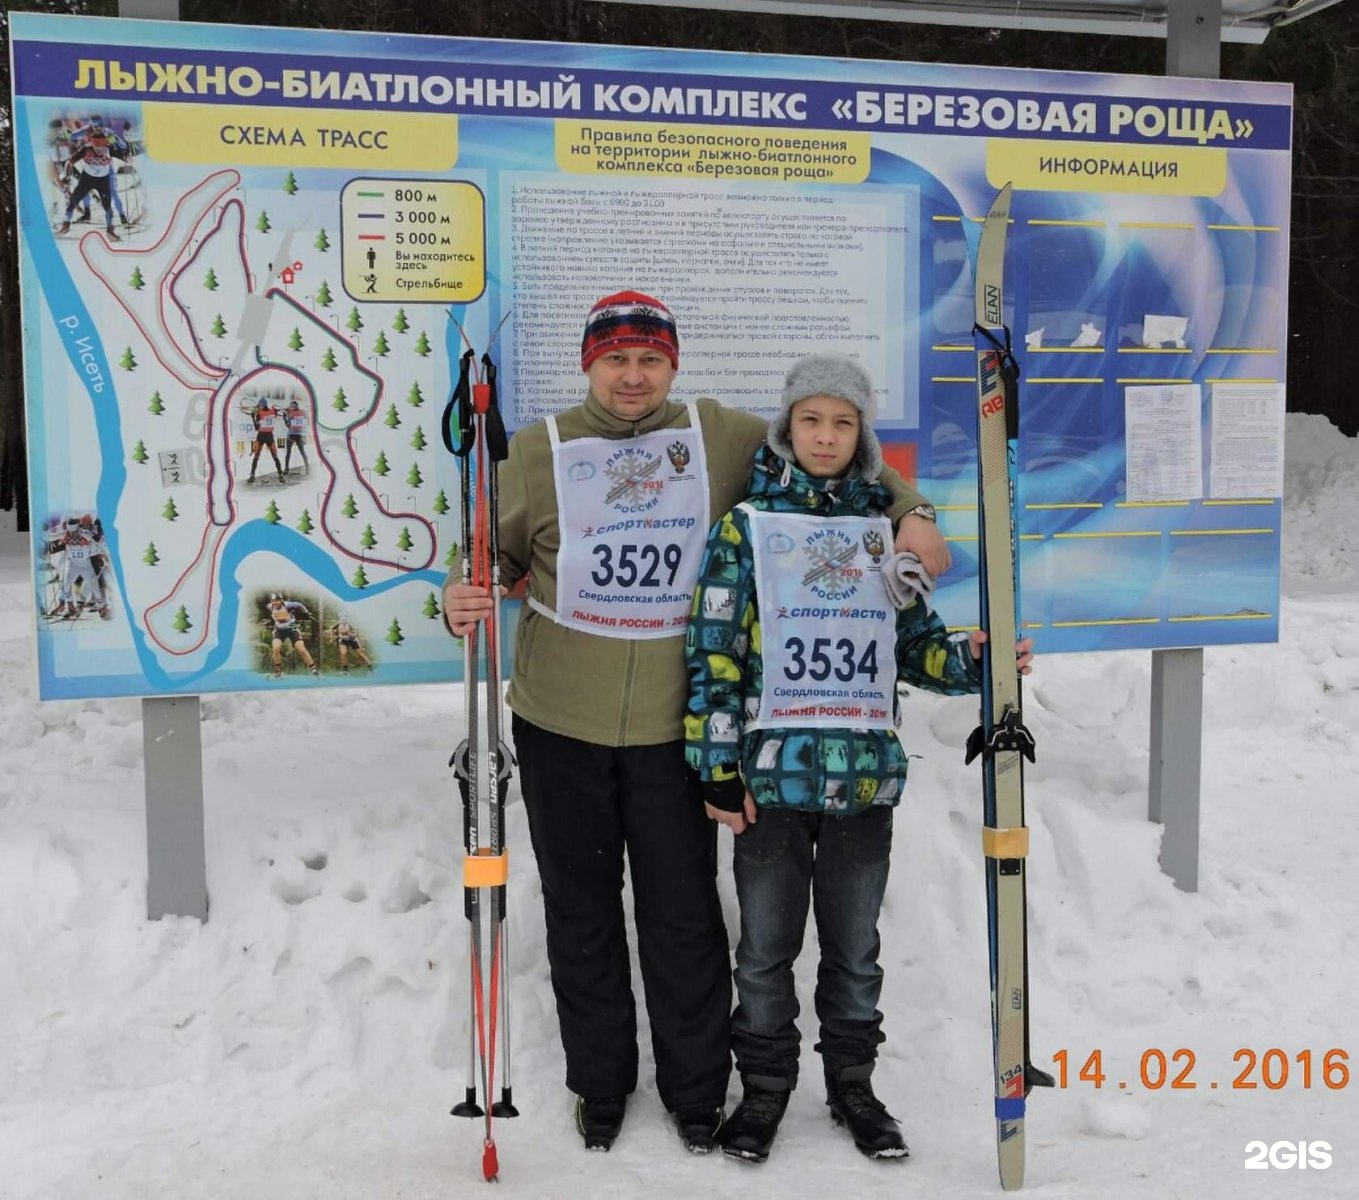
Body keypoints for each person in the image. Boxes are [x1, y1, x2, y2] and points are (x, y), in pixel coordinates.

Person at [442, 292, 951, 1156]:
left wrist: (914, 514)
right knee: (581, 909)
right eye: (615, 359)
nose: (632, 377)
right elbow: (494, 553)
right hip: (559, 716)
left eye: (649, 359)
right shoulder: (540, 449)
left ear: (672, 364)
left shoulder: (719, 435)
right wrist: (464, 587)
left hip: (669, 726)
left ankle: (692, 1090)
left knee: (681, 915)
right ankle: (599, 1086)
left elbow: (836, 451)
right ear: (587, 364)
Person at [685, 353, 1033, 1164]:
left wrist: (978, 663)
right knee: (765, 952)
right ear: (786, 428)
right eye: (811, 419)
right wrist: (715, 764)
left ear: (861, 435)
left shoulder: (885, 533)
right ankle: (765, 1089)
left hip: (863, 781)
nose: (825, 436)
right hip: (770, 781)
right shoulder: (745, 528)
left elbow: (912, 649)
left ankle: (853, 1087)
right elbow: (714, 653)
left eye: (842, 422)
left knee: (854, 951)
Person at [264, 593, 318, 677]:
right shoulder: (269, 606)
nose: (274, 603)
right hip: (279, 630)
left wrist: (306, 613)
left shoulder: (288, 605)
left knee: (301, 649)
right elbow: (274, 617)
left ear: (281, 600)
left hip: (292, 627)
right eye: (273, 601)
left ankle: (314, 670)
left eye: (276, 601)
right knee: (276, 648)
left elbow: (300, 605)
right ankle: (278, 672)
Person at [247, 399, 286, 485]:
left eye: (260, 405)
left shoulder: (259, 413)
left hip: (261, 436)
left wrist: (253, 418)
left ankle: (252, 475)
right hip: (269, 436)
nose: (259, 406)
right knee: (275, 456)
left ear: (262, 405)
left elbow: (256, 428)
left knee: (256, 457)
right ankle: (281, 475)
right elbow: (278, 412)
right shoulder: (273, 411)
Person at [283, 400, 311, 476]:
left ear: (292, 407)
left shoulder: (290, 414)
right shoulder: (303, 412)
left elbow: (288, 425)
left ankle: (286, 469)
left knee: (288, 453)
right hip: (299, 435)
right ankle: (307, 467)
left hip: (291, 435)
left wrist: (284, 416)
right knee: (303, 452)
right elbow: (307, 420)